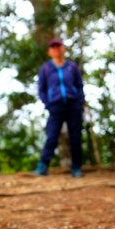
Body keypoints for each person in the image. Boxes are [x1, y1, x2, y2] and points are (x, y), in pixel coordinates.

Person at [35, 38, 85, 178]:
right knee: (52, 136)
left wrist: (80, 101)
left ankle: (76, 168)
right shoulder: (46, 68)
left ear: (63, 49)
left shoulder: (72, 67)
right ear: (49, 51)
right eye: (53, 47)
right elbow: (41, 89)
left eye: (59, 47)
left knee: (76, 137)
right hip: (55, 106)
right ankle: (42, 166)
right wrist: (48, 104)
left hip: (73, 104)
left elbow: (79, 85)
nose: (56, 49)